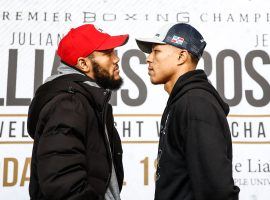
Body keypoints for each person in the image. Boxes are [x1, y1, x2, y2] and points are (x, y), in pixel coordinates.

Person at [135, 23, 240, 200]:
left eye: (156, 51)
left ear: (181, 56)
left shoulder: (196, 103)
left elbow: (217, 189)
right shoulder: (184, 100)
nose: (148, 58)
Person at [27, 24, 129, 200]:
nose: (116, 59)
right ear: (83, 64)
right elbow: (62, 183)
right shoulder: (69, 103)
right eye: (107, 53)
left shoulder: (83, 100)